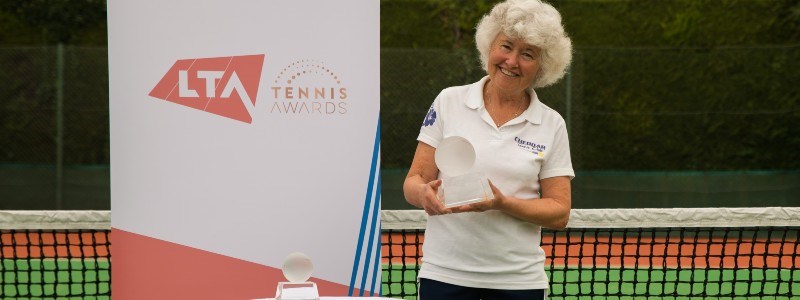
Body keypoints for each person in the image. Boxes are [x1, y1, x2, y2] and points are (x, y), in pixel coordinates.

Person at [402, 0, 574, 298]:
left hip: (519, 283)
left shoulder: (552, 124)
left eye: (527, 54)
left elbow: (559, 212)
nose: (512, 61)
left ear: (542, 67)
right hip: (443, 276)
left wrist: (502, 203)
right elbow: (413, 181)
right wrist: (423, 194)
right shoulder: (448, 101)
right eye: (506, 46)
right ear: (489, 46)